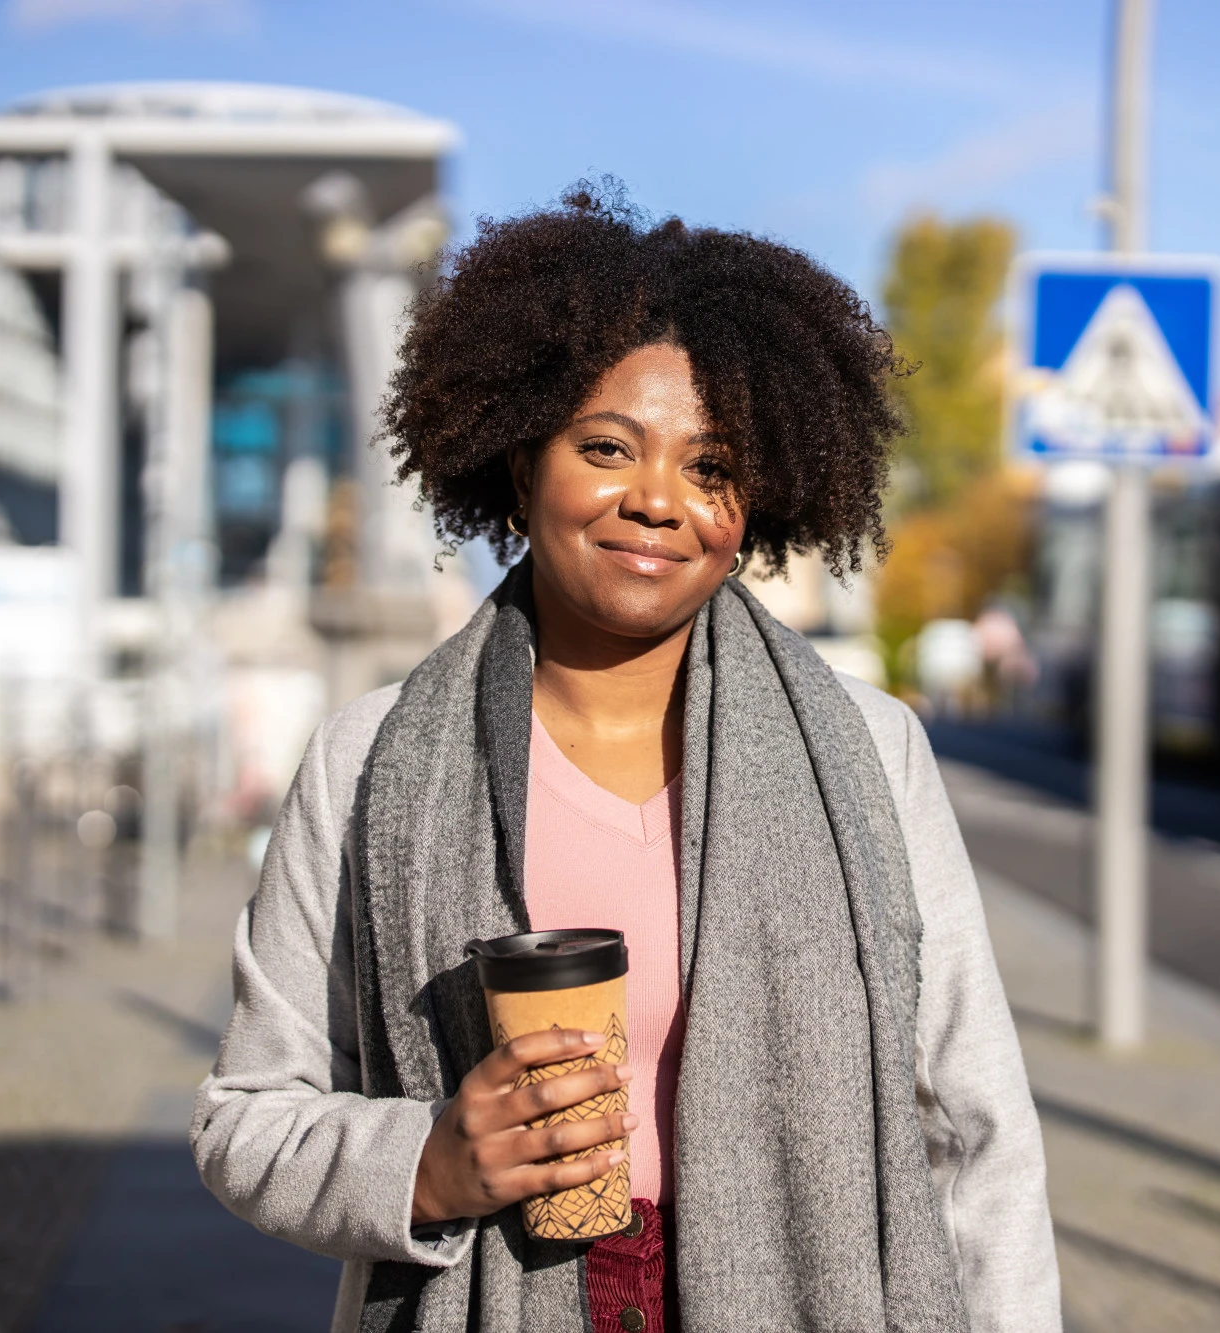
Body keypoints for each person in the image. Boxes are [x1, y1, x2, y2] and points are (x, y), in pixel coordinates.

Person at [191, 185, 1058, 1333]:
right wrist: (428, 1160)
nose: (658, 501)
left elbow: (975, 1126)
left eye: (712, 467)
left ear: (756, 501)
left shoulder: (870, 751)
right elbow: (245, 1115)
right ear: (518, 466)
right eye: (607, 448)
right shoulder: (369, 761)